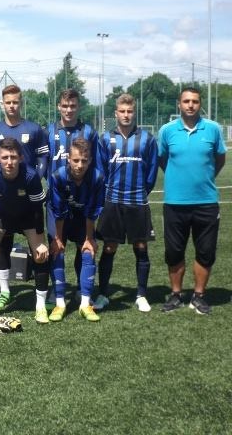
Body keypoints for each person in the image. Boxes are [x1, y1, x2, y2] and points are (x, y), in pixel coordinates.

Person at [157, 87, 226, 315]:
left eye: (195, 101)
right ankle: (176, 294)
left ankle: (199, 296)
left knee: (206, 251)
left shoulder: (213, 129)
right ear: (179, 104)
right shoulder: (167, 130)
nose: (190, 105)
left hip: (206, 202)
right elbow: (162, 159)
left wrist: (205, 179)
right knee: (174, 252)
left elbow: (220, 159)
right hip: (175, 203)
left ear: (200, 104)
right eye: (186, 101)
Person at [95, 94, 159, 312]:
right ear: (116, 113)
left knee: (141, 247)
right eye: (122, 111)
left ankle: (141, 294)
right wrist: (107, 193)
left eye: (129, 111)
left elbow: (151, 172)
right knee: (109, 247)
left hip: (137, 201)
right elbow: (101, 171)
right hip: (112, 201)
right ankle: (103, 294)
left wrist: (141, 191)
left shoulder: (147, 139)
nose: (126, 115)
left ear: (134, 113)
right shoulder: (105, 139)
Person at [0, 137, 50, 323]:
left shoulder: (31, 176)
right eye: (5, 157)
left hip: (27, 215)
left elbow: (37, 210)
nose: (9, 162)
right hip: (0, 214)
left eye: (13, 157)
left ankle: (40, 306)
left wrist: (40, 242)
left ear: (21, 158)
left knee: (40, 255)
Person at [45, 88, 99, 306]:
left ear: (79, 107)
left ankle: (80, 288)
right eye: (65, 106)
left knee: (83, 245)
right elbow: (43, 164)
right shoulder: (48, 131)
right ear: (59, 106)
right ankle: (56, 289)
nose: (69, 110)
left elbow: (96, 166)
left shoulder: (89, 132)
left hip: (82, 200)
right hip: (56, 199)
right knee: (56, 245)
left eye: (73, 106)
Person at [47, 138, 104, 322]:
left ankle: (85, 303)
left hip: (82, 218)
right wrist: (57, 239)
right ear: (68, 159)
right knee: (57, 251)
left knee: (88, 251)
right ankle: (60, 302)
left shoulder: (97, 178)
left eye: (84, 161)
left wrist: (89, 238)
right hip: (60, 218)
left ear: (90, 160)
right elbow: (58, 210)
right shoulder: (58, 176)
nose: (80, 165)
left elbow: (92, 211)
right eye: (76, 160)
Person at [0, 84, 49, 177]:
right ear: (3, 104)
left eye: (15, 102)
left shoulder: (35, 129)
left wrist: (35, 179)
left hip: (27, 183)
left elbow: (43, 157)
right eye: (8, 102)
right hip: (2, 184)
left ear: (21, 103)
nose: (11, 106)